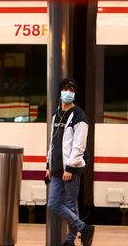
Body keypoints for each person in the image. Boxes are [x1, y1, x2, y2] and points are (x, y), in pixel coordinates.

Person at [45, 78, 95, 246]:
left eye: (72, 90)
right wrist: (48, 166)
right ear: (60, 92)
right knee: (53, 204)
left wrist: (70, 168)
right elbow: (52, 143)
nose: (69, 92)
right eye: (66, 89)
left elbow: (79, 145)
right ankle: (84, 228)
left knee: (71, 204)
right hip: (56, 169)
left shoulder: (79, 116)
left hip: (70, 169)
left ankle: (69, 241)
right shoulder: (55, 115)